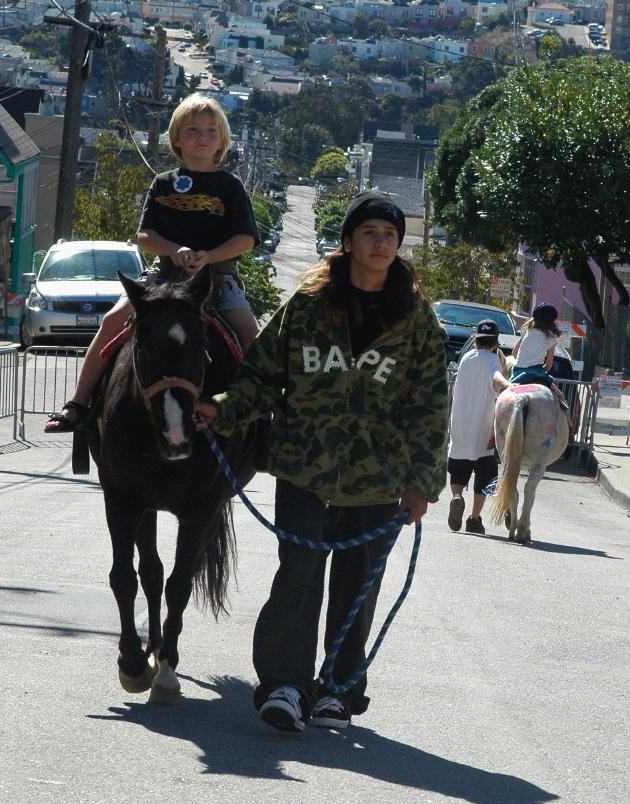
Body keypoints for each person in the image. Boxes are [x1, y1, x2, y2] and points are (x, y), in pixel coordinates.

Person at [195, 190, 448, 733]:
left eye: (389, 235)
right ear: (349, 242)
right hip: (305, 472)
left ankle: (336, 689)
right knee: (299, 577)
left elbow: (430, 407)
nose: (381, 243)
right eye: (370, 233)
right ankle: (285, 685)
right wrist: (222, 410)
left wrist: (423, 483)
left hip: (380, 482)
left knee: (358, 587)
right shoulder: (308, 306)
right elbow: (262, 375)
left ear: (398, 245)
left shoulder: (417, 320)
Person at [45, 93, 260, 433]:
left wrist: (208, 257)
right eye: (192, 130)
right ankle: (79, 401)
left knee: (250, 335)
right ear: (176, 138)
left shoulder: (230, 187)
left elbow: (245, 239)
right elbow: (144, 236)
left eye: (210, 130)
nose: (202, 137)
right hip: (163, 277)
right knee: (113, 321)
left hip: (218, 279)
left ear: (222, 140)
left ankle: (261, 417)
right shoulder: (163, 183)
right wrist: (175, 249)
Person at [447, 320, 505, 535]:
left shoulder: (465, 359)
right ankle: (473, 518)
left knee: (459, 467)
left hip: (461, 424)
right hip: (483, 426)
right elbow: (496, 379)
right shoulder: (493, 361)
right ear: (495, 342)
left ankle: (457, 497)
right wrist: (508, 387)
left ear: (476, 339)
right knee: (485, 474)